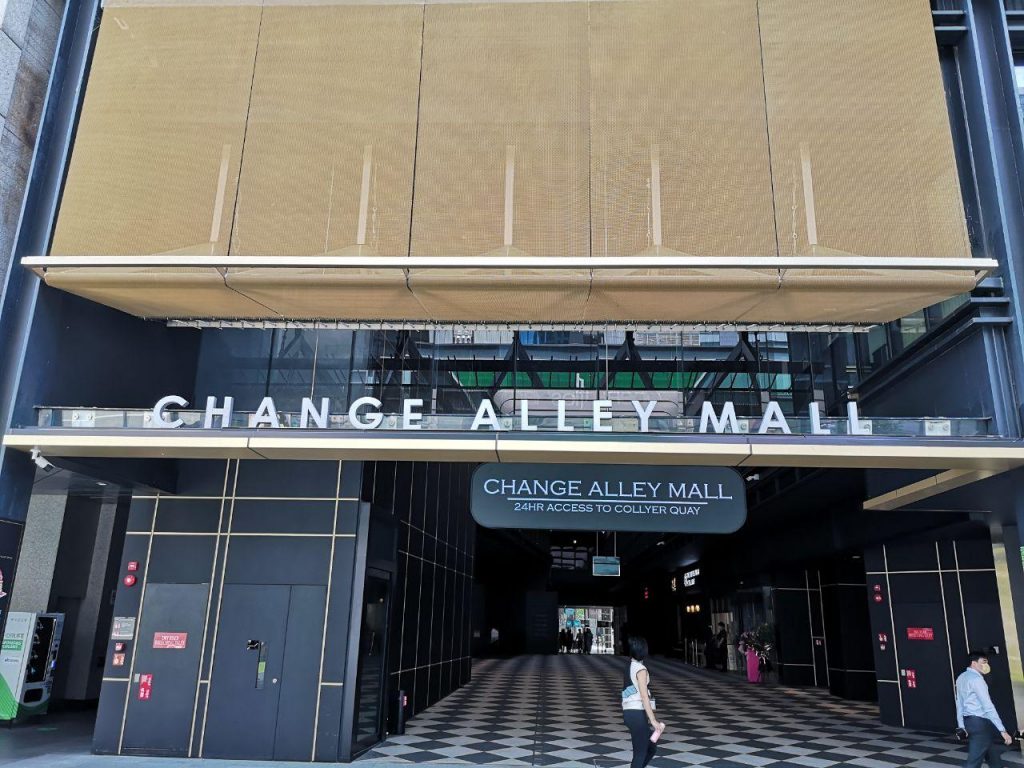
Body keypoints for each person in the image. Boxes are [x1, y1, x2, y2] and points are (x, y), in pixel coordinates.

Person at [956, 651, 1014, 768]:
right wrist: (1002, 730)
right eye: (983, 662)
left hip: (969, 722)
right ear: (974, 663)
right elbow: (988, 706)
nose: (986, 665)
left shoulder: (961, 677)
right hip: (980, 723)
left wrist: (961, 725)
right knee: (973, 762)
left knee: (992, 754)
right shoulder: (977, 680)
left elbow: (959, 703)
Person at [622, 636, 664, 768]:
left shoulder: (630, 666)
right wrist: (653, 720)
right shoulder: (641, 670)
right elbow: (644, 696)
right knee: (640, 753)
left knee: (651, 748)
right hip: (636, 713)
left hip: (629, 713)